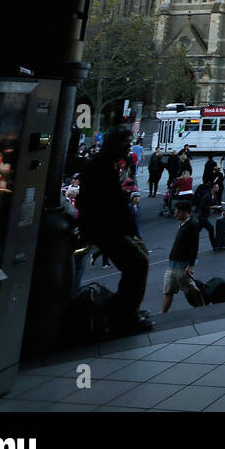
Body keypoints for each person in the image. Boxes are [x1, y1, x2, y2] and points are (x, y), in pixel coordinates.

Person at [77, 128, 153, 332]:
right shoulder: (101, 166)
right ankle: (125, 315)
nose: (129, 147)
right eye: (126, 143)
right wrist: (130, 229)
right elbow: (112, 203)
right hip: (105, 227)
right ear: (115, 144)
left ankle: (127, 310)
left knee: (139, 259)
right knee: (137, 263)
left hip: (107, 227)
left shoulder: (105, 164)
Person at [160, 200, 202, 313]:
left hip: (182, 266)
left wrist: (191, 265)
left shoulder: (192, 225)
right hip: (171, 265)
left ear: (185, 212)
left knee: (190, 289)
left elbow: (195, 246)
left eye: (178, 212)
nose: (175, 214)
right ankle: (162, 314)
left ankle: (202, 306)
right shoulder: (182, 223)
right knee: (167, 290)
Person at [192, 178, 219, 249]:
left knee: (197, 231)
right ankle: (215, 245)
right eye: (216, 187)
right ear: (212, 188)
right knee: (211, 229)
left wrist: (220, 208)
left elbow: (215, 204)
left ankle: (188, 240)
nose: (218, 188)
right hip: (202, 216)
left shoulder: (214, 196)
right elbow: (202, 206)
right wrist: (211, 207)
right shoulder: (207, 196)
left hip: (206, 216)